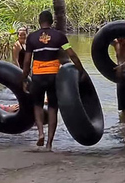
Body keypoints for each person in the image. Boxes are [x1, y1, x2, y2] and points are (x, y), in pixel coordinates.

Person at [22, 10, 85, 150]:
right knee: (52, 108)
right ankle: (49, 144)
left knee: (37, 105)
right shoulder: (60, 36)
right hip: (54, 76)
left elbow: (27, 62)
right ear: (51, 22)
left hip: (37, 75)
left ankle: (40, 133)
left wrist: (24, 78)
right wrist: (81, 70)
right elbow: (72, 55)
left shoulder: (31, 38)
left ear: (39, 21)